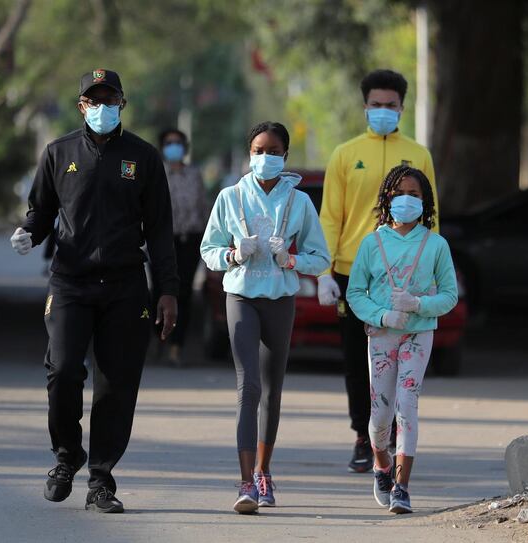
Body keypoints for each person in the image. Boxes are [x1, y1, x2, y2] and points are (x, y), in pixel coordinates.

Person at [9, 69, 178, 514]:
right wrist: (29, 233)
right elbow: (41, 212)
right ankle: (66, 457)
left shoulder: (142, 157)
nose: (101, 106)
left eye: (110, 98)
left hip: (124, 286)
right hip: (70, 282)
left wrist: (168, 291)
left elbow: (160, 230)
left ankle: (101, 480)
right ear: (81, 105)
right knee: (63, 371)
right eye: (93, 99)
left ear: (122, 103)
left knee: (115, 386)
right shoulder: (58, 152)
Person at [200, 121, 330, 514]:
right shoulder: (230, 197)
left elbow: (321, 257)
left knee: (272, 390)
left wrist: (290, 259)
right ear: (248, 154)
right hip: (241, 296)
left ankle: (263, 470)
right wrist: (234, 255)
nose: (265, 158)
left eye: (273, 151)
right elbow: (209, 250)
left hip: (279, 299)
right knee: (248, 386)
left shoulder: (300, 202)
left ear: (285, 157)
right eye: (258, 150)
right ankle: (245, 485)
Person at [317, 69, 439, 473]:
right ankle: (362, 436)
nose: (383, 111)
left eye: (391, 105)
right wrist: (324, 271)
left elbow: (431, 217)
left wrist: (432, 271)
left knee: (403, 361)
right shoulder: (345, 154)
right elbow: (331, 216)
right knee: (358, 358)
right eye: (376, 105)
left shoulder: (418, 155)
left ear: (402, 107)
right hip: (356, 273)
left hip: (405, 279)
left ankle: (394, 439)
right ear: (364, 107)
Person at [346, 164, 457, 513]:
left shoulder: (436, 244)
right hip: (381, 336)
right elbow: (355, 293)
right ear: (387, 199)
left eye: (414, 195)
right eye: (400, 194)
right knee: (380, 414)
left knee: (406, 406)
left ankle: (402, 486)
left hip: (418, 334)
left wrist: (419, 305)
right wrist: (381, 315)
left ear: (425, 202)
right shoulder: (372, 242)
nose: (406, 200)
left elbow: (450, 295)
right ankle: (381, 465)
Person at [156, 128, 209, 365]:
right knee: (159, 291)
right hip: (162, 242)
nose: (174, 146)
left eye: (178, 142)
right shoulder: (156, 173)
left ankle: (177, 346)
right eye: (169, 143)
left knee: (184, 292)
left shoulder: (194, 174)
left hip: (191, 240)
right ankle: (159, 339)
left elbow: (203, 207)